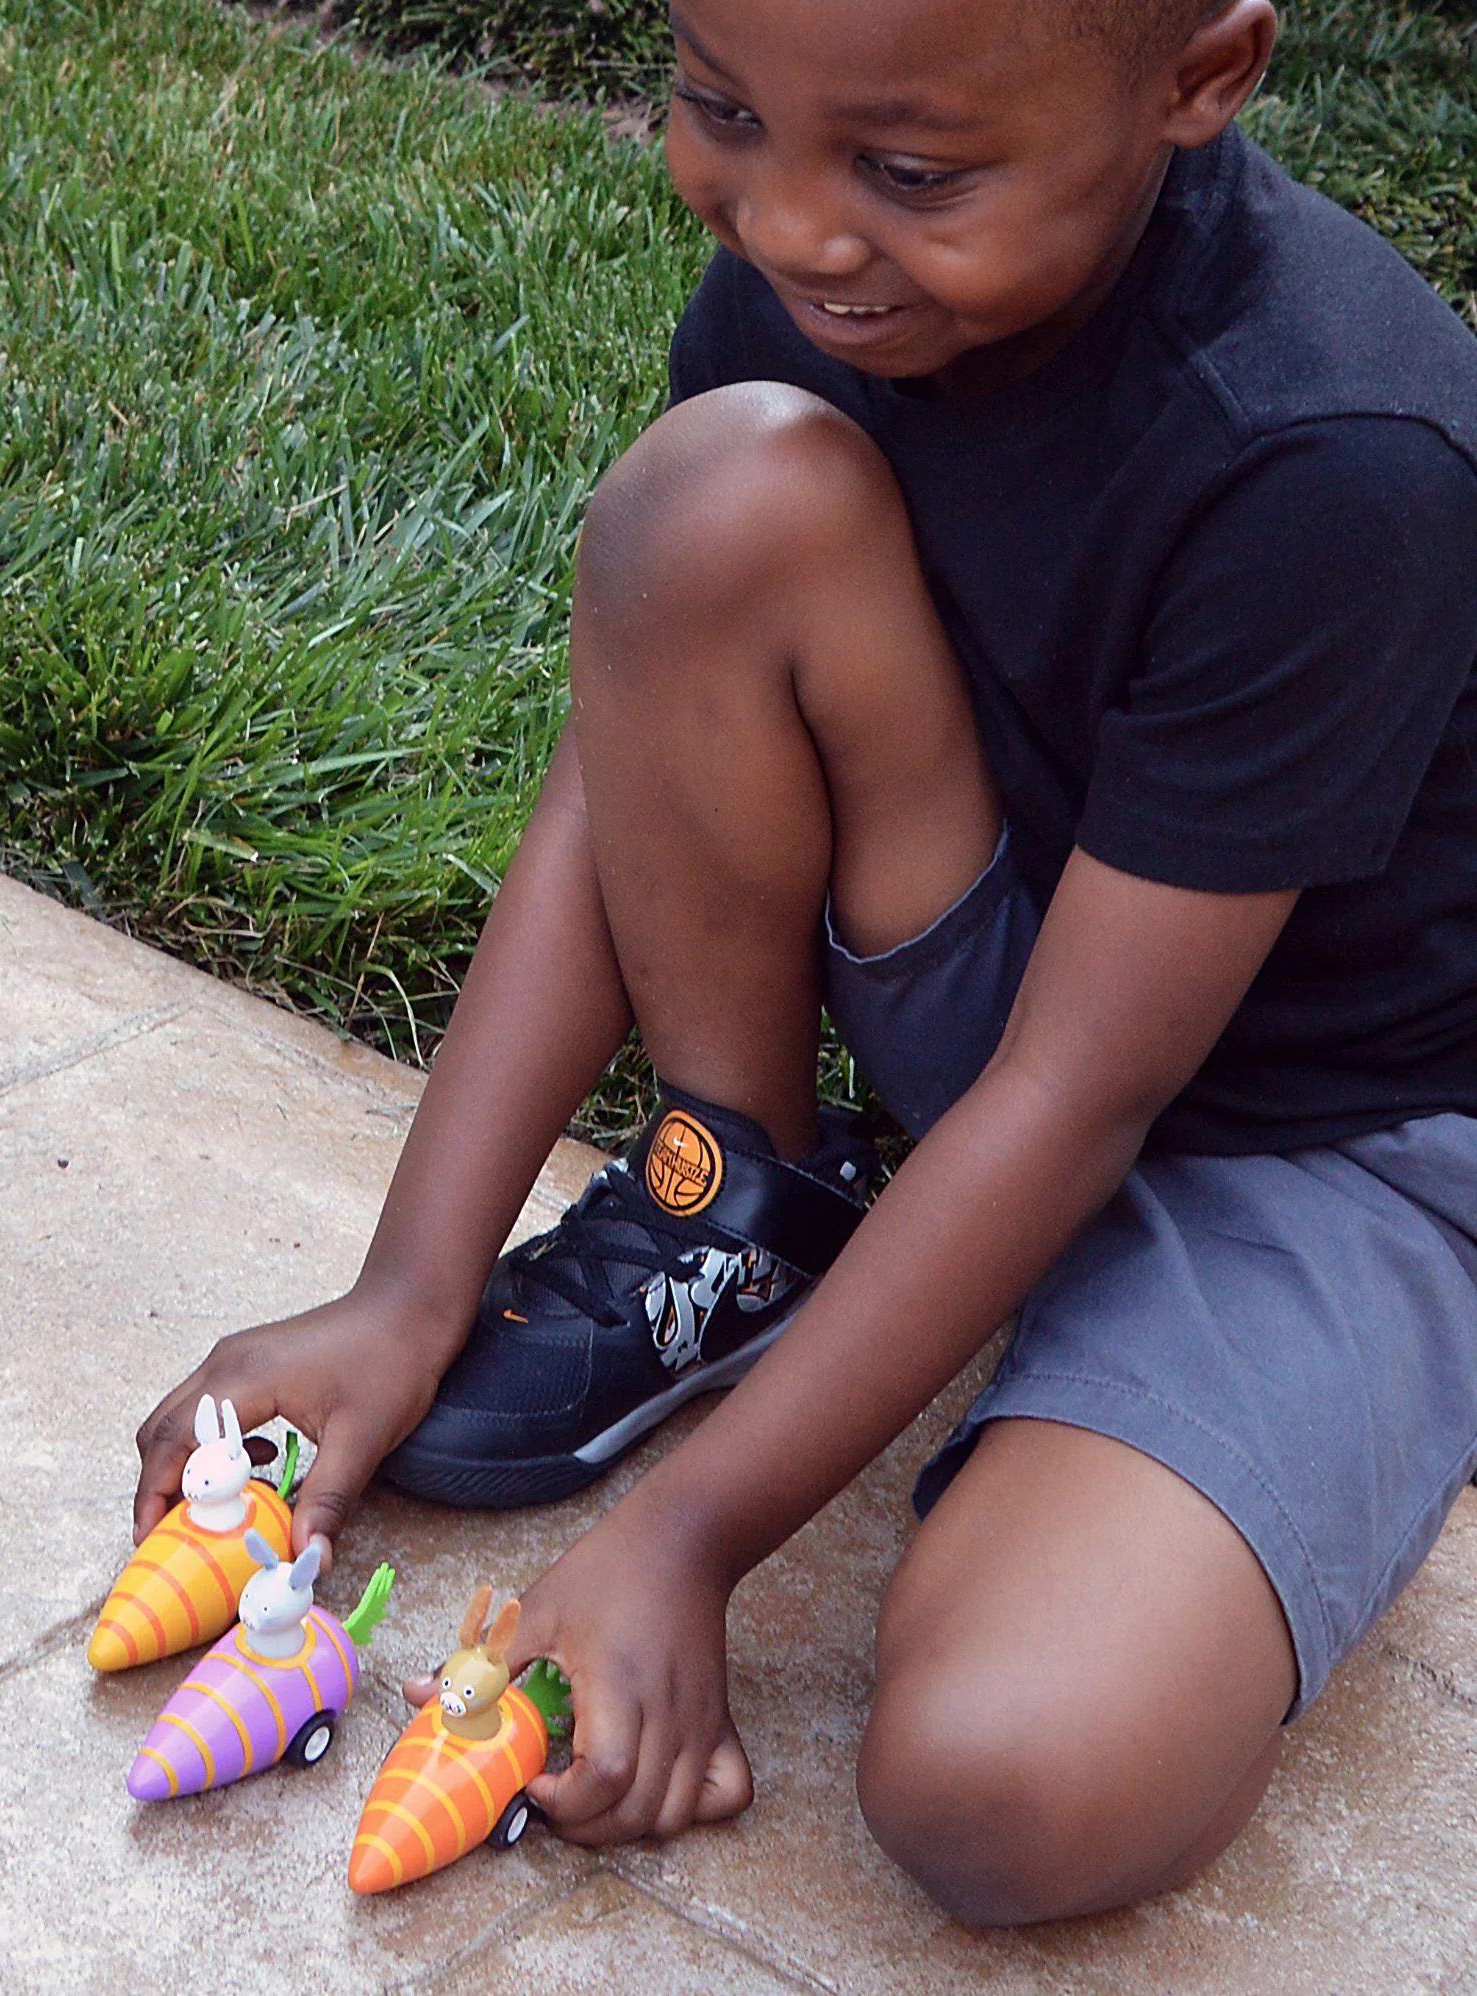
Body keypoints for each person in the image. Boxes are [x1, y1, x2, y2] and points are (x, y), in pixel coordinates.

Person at [132, 0, 1477, 1924]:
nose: (789, 226)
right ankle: (744, 1210)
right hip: (1024, 979)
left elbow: (1085, 1094)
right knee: (711, 502)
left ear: (1202, 79)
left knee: (1007, 1791)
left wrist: (688, 1536)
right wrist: (405, 1288)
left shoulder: (1334, 455)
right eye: (721, 107)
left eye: (909, 172)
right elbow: (629, 759)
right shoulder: (839, 274)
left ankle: (1296, 1420)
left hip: (1321, 1147)